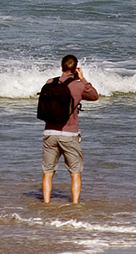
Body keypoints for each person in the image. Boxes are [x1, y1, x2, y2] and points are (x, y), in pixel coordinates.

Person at [40, 55, 99, 204]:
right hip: (69, 134)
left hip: (49, 132)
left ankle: (46, 203)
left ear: (61, 67)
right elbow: (94, 96)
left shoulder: (50, 82)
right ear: (75, 69)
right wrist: (83, 79)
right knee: (75, 173)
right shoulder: (78, 85)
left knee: (48, 172)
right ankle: (75, 204)